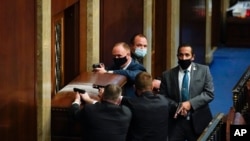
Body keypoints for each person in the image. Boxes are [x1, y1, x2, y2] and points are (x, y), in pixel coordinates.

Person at [159, 43, 215, 141]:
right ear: (177, 56)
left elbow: (209, 94)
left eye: (187, 55)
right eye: (181, 55)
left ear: (193, 57)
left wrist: (189, 104)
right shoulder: (167, 75)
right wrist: (178, 106)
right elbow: (163, 98)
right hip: (175, 122)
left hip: (198, 120)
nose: (184, 58)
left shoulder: (204, 71)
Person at [120, 71, 175, 141]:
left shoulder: (131, 103)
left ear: (134, 87)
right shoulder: (164, 101)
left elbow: (121, 99)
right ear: (152, 87)